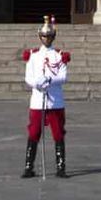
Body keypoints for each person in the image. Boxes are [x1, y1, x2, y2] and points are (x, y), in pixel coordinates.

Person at [21, 15, 70, 179]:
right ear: (39, 36)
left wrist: (49, 80)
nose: (46, 39)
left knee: (58, 134)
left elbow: (63, 76)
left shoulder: (59, 55)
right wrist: (37, 83)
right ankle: (29, 166)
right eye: (43, 36)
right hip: (37, 100)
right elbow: (28, 77)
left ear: (53, 37)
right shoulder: (33, 55)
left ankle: (61, 167)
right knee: (34, 132)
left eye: (49, 36)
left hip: (55, 101)